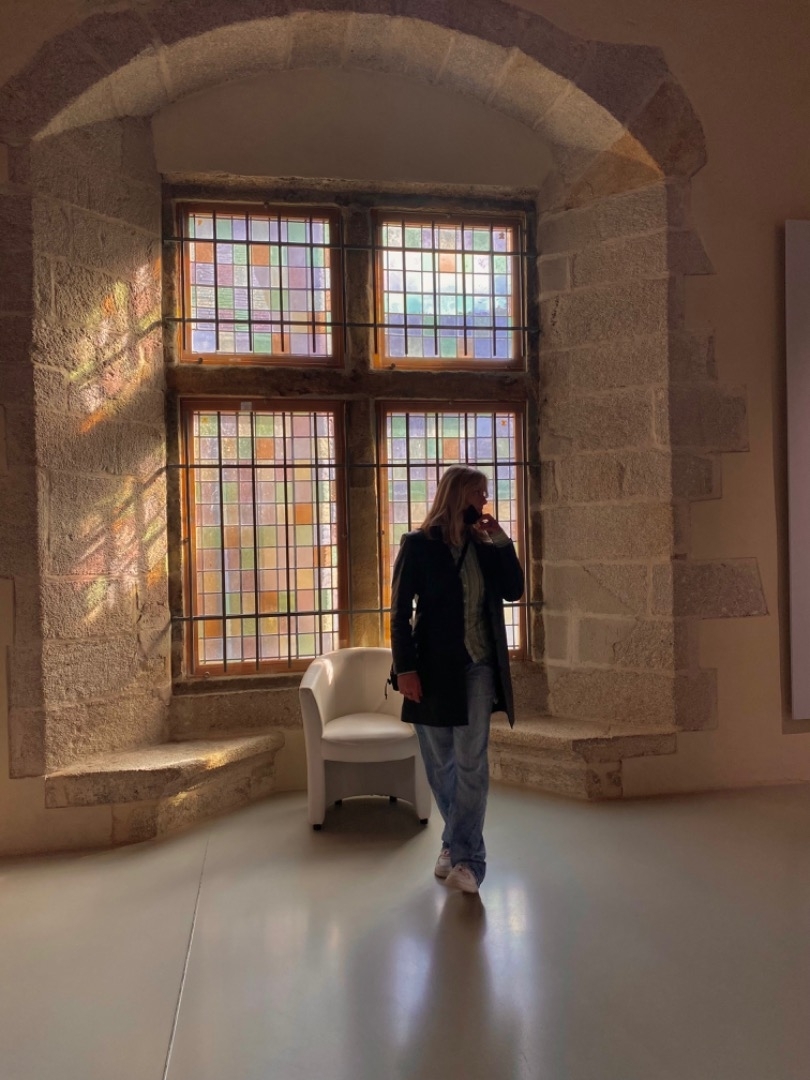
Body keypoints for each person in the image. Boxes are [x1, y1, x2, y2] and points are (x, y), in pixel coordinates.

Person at [390, 464, 525, 894]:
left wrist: (501, 539)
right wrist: (406, 669)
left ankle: (469, 860)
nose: (485, 500)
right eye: (479, 493)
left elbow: (514, 589)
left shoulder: (485, 545)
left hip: (478, 664)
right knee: (440, 763)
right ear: (458, 494)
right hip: (430, 668)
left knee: (471, 762)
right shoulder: (417, 545)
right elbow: (398, 613)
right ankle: (453, 842)